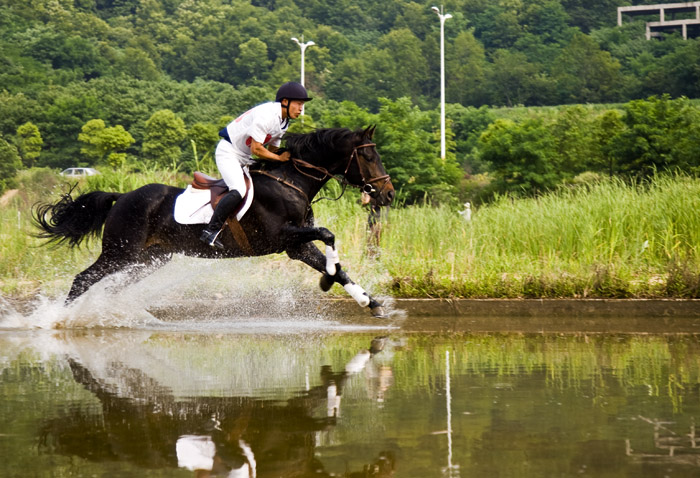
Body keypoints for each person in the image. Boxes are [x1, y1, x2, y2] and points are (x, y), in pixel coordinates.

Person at [200, 81, 312, 249]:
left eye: (302, 105)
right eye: (298, 104)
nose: (301, 108)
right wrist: (279, 158)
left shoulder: (284, 121)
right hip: (229, 153)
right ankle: (211, 230)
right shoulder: (267, 115)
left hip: (245, 156)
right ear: (285, 102)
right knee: (238, 190)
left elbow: (273, 149)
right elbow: (257, 149)